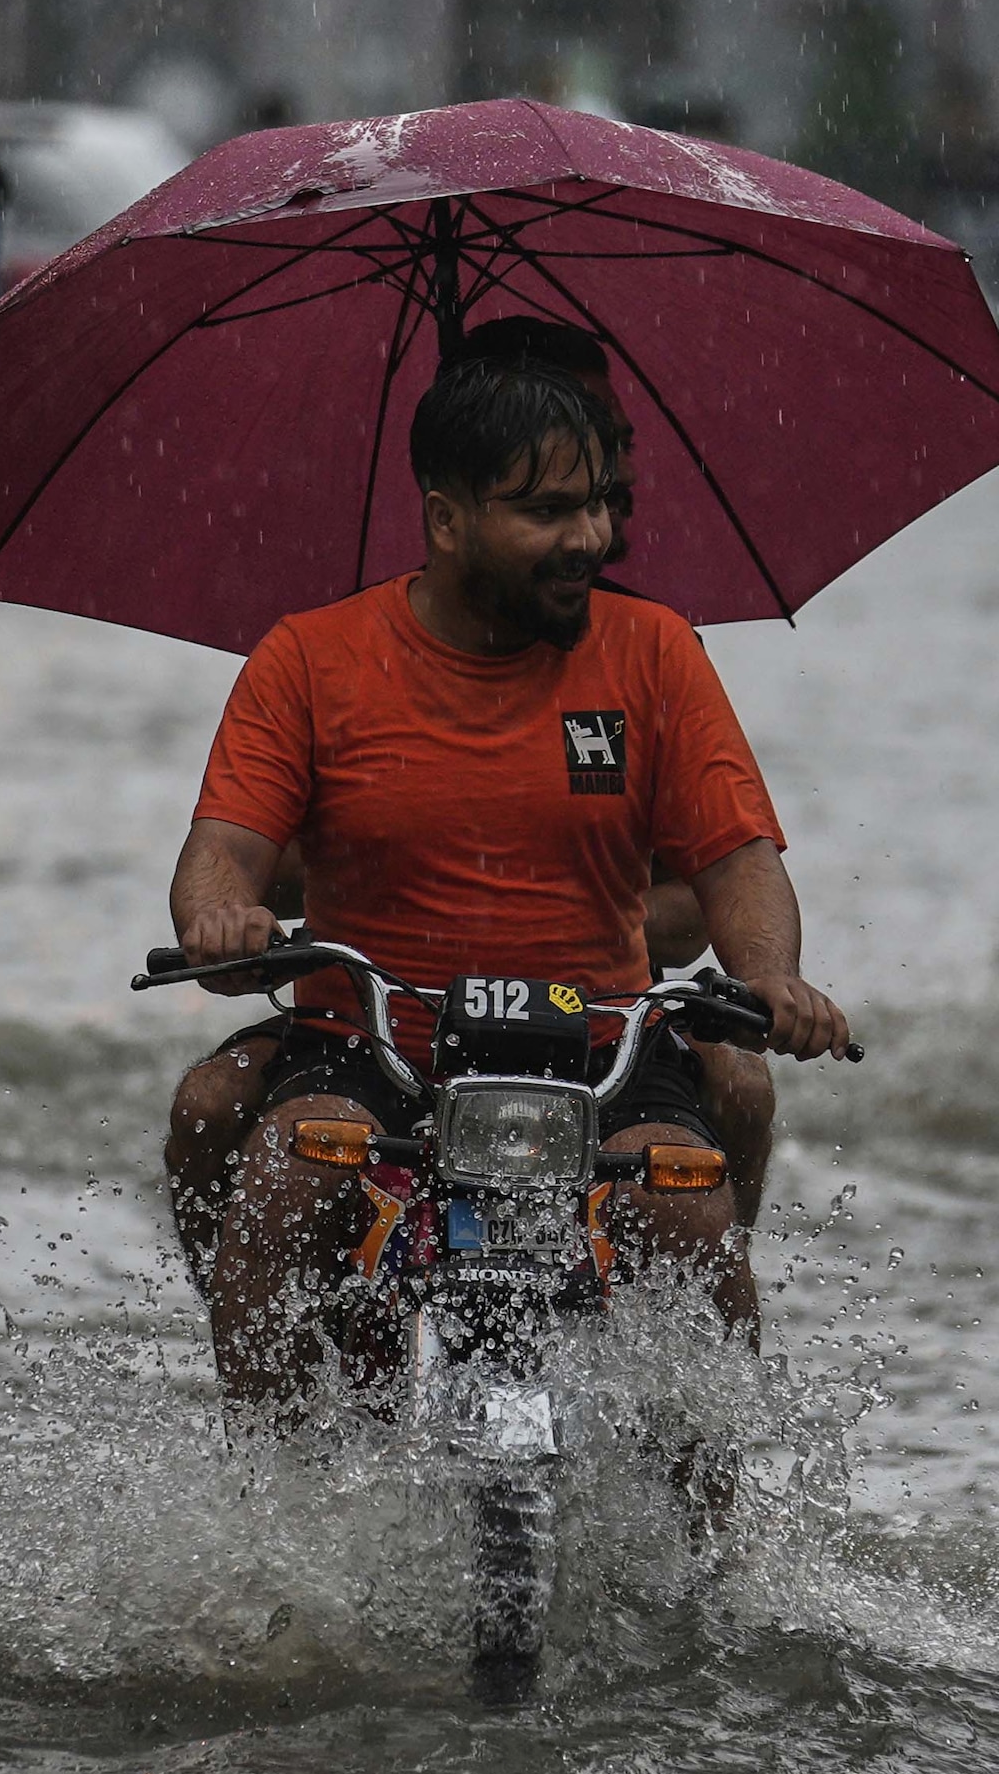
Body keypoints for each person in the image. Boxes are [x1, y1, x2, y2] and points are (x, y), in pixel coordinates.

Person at [166, 340, 853, 1400]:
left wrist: (774, 976)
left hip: (600, 1056)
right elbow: (220, 857)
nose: (586, 538)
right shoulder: (307, 659)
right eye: (543, 513)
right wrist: (220, 919)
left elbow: (737, 862)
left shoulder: (657, 650)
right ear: (445, 520)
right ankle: (274, 1514)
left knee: (691, 1205)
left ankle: (709, 1533)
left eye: (595, 506)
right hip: (373, 1054)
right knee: (280, 1172)